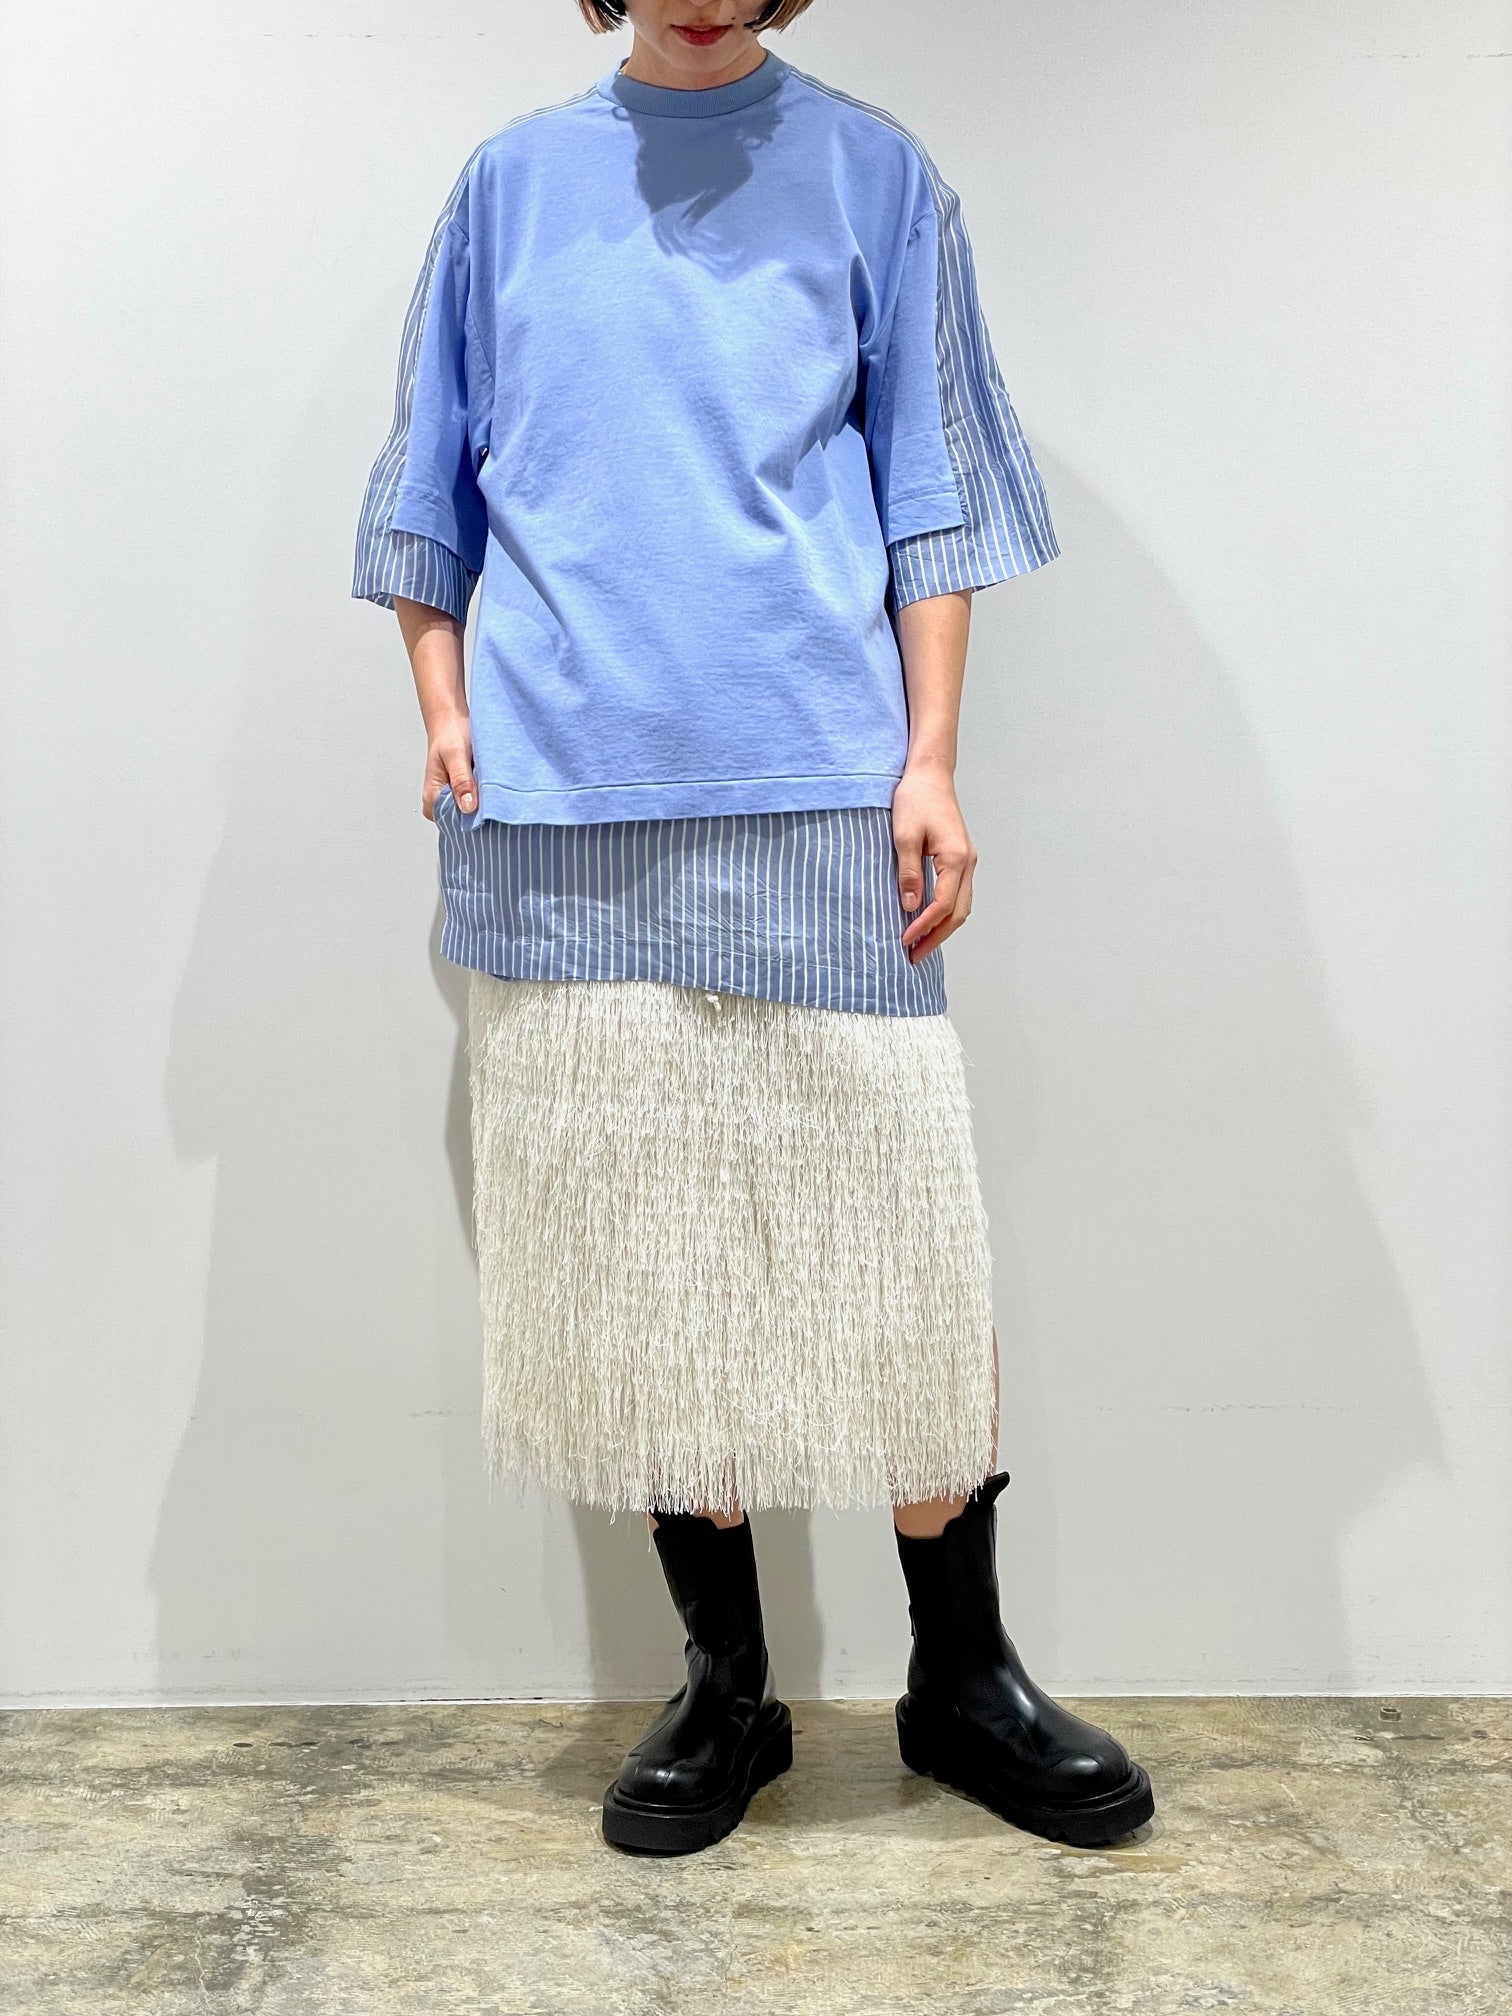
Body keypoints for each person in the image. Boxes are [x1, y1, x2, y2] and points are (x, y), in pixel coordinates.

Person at [353, 0, 1154, 1856]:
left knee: (900, 1245)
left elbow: (928, 494)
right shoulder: (506, 188)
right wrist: (443, 703)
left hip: (817, 784)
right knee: (649, 1259)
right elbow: (429, 480)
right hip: (563, 800)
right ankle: (728, 1685)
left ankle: (963, 1678)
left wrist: (931, 759)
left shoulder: (878, 177)